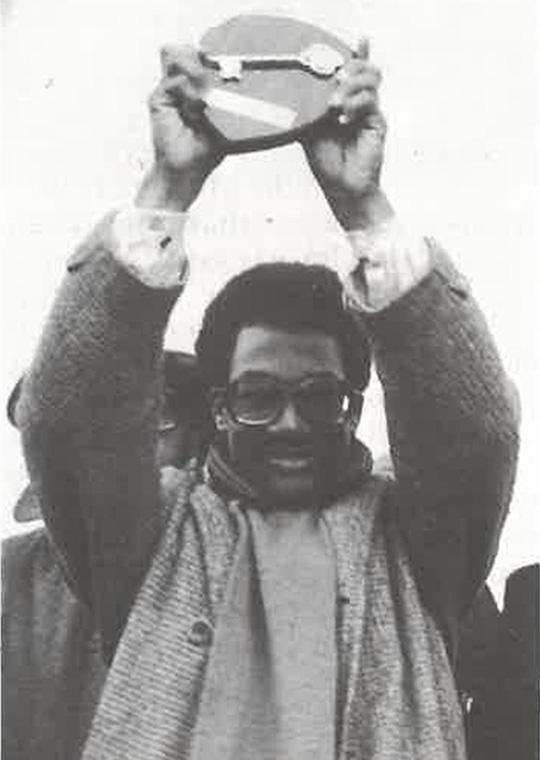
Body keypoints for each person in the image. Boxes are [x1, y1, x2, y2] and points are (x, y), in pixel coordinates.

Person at [14, 39, 519, 760]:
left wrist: (362, 206)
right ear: (218, 407)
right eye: (258, 395)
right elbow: (70, 425)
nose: (289, 425)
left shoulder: (415, 543)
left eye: (320, 398)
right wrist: (170, 186)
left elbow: (475, 432)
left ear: (354, 406)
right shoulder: (152, 535)